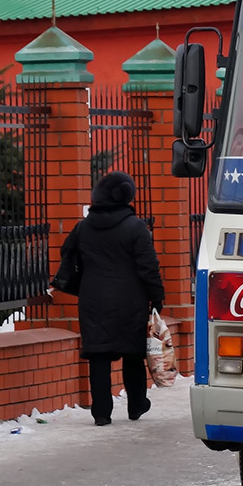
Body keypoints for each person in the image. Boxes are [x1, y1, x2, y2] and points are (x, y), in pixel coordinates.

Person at [60, 171, 165, 426]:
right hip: (131, 301)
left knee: (98, 354)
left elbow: (67, 251)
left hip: (93, 299)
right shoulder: (136, 227)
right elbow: (148, 266)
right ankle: (137, 404)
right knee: (132, 353)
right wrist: (157, 297)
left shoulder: (84, 226)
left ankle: (101, 412)